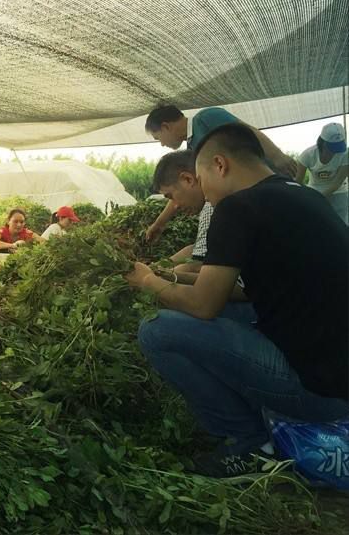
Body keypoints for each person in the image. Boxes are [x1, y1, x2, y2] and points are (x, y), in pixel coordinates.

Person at [126, 122, 349, 478]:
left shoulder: (237, 209)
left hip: (315, 391)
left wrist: (149, 281)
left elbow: (203, 305)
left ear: (220, 165)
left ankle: (249, 441)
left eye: (201, 178)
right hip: (339, 375)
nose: (205, 192)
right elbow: (250, 289)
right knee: (221, 311)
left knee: (157, 330)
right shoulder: (303, 195)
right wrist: (170, 278)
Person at [143, 105, 296, 243]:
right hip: (249, 201)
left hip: (265, 186)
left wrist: (277, 155)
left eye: (158, 138)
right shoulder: (192, 149)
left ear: (165, 127)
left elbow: (247, 132)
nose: (162, 144)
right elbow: (180, 190)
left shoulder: (206, 118)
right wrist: (159, 223)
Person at [295, 122, 348, 225]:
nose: (336, 151)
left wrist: (319, 197)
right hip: (315, 190)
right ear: (323, 142)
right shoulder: (308, 155)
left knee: (341, 224)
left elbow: (337, 183)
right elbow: (298, 181)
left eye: (339, 145)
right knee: (317, 223)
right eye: (333, 146)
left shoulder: (345, 154)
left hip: (339, 191)